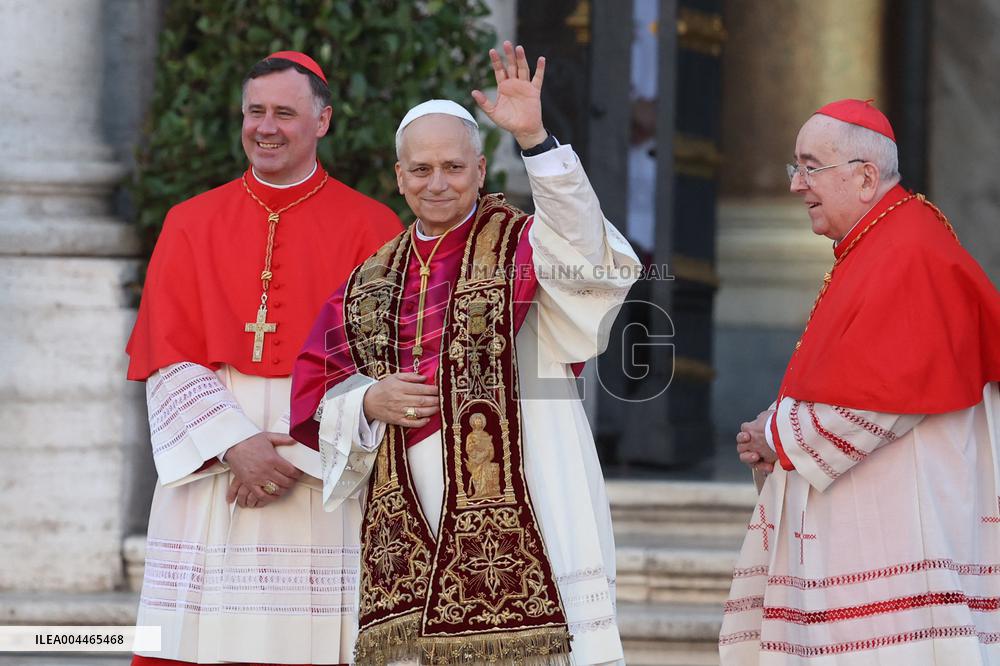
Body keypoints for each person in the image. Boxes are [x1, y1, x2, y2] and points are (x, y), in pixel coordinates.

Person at [289, 42, 638, 666]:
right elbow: (315, 393)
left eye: (453, 167)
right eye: (421, 169)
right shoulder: (369, 280)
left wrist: (534, 141)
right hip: (411, 514)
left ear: (480, 170)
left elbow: (586, 251)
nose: (437, 183)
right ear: (399, 177)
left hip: (532, 486)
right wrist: (368, 400)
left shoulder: (526, 245)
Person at [125, 51, 402, 665]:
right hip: (216, 459)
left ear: (322, 121)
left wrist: (296, 453)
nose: (266, 127)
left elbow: (381, 362)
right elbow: (165, 354)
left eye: (284, 113)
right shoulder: (189, 222)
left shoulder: (372, 226)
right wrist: (234, 445)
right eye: (255, 112)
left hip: (320, 463)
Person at [720, 99, 1000, 665]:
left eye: (810, 167)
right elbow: (847, 375)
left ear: (866, 177)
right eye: (795, 167)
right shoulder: (884, 240)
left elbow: (877, 399)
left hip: (900, 526)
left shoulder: (908, 251)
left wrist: (775, 434)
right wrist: (775, 427)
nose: (796, 184)